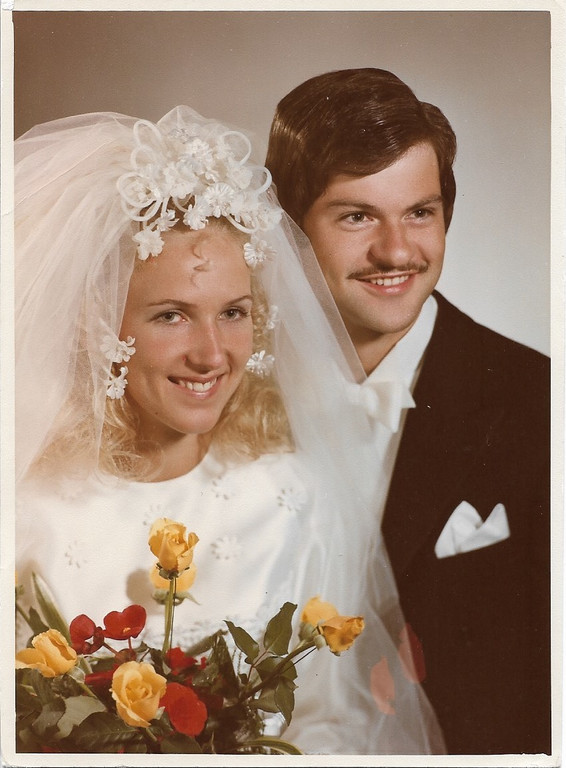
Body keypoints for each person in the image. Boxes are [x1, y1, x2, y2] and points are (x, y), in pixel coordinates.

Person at [14, 106, 444, 755]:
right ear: (99, 325)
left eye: (234, 313)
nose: (212, 354)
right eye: (171, 315)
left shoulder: (296, 498)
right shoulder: (27, 509)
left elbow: (334, 722)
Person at [266, 67, 551, 755]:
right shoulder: (221, 389)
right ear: (288, 226)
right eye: (357, 216)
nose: (396, 251)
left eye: (419, 212)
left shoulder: (540, 403)